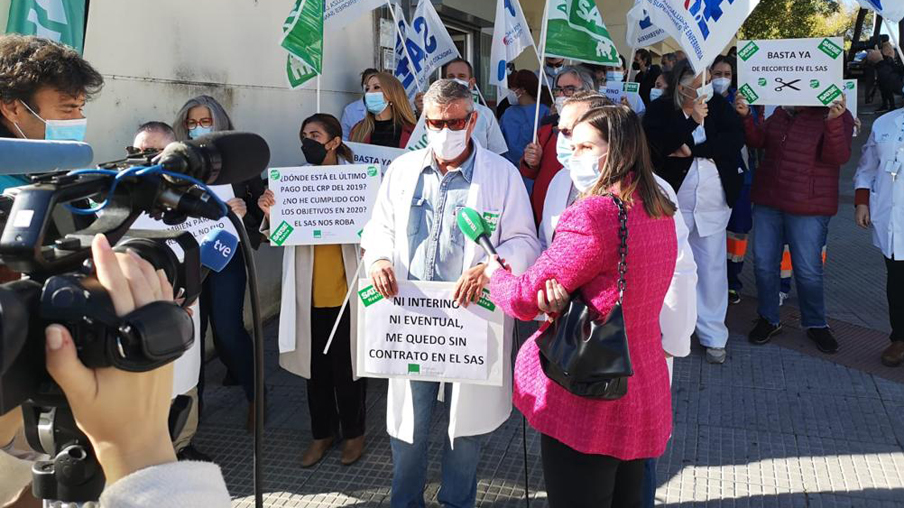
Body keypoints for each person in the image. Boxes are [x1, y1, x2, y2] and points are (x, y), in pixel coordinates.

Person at [485, 105, 681, 507]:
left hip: (589, 393)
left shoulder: (594, 214)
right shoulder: (656, 202)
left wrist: (494, 276)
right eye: (572, 145)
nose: (574, 156)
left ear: (620, 150)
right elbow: (618, 284)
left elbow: (524, 298)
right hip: (642, 380)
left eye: (586, 146)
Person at [360, 79, 540, 508]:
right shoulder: (402, 171)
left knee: (466, 428)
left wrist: (490, 267)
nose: (443, 130)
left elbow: (524, 241)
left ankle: (457, 501)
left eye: (454, 121)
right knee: (408, 426)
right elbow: (378, 227)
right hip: (412, 318)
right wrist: (380, 259)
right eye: (435, 122)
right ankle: (406, 502)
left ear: (473, 120)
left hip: (471, 320)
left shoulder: (503, 174)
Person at [539, 101, 697, 508]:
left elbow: (680, 268)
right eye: (564, 131)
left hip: (630, 351)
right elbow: (554, 255)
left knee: (633, 461)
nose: (568, 141)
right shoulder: (561, 184)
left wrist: (672, 342)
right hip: (578, 347)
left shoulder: (652, 191)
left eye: (579, 134)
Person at [257, 114, 367, 467]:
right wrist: (271, 213)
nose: (308, 141)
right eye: (304, 135)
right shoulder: (292, 182)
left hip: (348, 291)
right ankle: (322, 434)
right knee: (315, 371)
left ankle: (354, 434)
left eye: (315, 135)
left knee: (348, 370)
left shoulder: (358, 180)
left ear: (334, 141)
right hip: (309, 293)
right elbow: (277, 236)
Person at [735, 91, 855, 354]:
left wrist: (834, 122)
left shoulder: (835, 114)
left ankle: (816, 323)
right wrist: (746, 118)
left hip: (809, 205)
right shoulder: (781, 112)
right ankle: (768, 318)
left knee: (808, 269)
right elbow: (759, 140)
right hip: (770, 200)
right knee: (765, 265)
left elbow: (838, 157)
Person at [643, 60, 745, 365]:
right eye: (697, 82)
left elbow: (733, 141)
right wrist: (688, 118)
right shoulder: (662, 109)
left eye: (708, 80)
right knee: (670, 265)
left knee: (712, 267)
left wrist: (696, 149)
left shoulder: (721, 108)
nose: (706, 88)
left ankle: (713, 333)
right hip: (674, 201)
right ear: (681, 85)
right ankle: (669, 329)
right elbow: (660, 145)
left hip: (713, 202)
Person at [173, 95, 266, 430]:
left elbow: (259, 210)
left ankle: (257, 395)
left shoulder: (239, 161)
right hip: (187, 258)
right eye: (192, 122)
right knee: (192, 335)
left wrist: (248, 210)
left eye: (205, 121)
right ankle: (191, 413)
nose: (198, 127)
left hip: (227, 256)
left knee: (227, 329)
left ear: (220, 122)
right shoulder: (174, 160)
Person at [130, 121, 210, 463]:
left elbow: (212, 244)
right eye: (137, 152)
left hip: (184, 301)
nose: (144, 159)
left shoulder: (196, 197)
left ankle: (183, 444)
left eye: (153, 152)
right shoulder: (121, 193)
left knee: (185, 376)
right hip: (136, 308)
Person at [0, 34, 104, 282]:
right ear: (13, 108)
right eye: (68, 109)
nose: (78, 120)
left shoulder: (61, 173)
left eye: (81, 108)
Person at [854, 102, 904, 367]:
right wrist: (862, 201)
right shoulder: (885, 123)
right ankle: (899, 339)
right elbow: (867, 166)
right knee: (897, 280)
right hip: (892, 218)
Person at [520, 73, 598, 223]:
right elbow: (529, 171)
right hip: (544, 214)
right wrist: (531, 162)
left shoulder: (600, 131)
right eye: (558, 90)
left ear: (589, 92)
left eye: (569, 89)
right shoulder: (547, 128)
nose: (562, 95)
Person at [710, 55, 754, 306]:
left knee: (737, 231)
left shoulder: (742, 100)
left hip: (741, 174)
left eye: (727, 73)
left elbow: (755, 133)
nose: (722, 78)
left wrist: (746, 114)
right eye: (717, 73)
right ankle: (711, 279)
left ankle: (732, 282)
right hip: (711, 173)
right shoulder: (701, 98)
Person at [440, 58, 508, 155]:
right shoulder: (435, 114)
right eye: (451, 76)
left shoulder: (486, 114)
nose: (456, 80)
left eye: (461, 76)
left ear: (471, 83)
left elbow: (498, 153)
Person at [500, 70, 551, 173]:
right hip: (509, 170)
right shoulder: (508, 113)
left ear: (522, 90)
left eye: (511, 88)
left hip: (534, 171)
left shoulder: (544, 112)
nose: (509, 91)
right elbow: (500, 142)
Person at [349, 72, 416, 148]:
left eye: (376, 87)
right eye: (367, 89)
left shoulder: (412, 131)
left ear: (392, 94)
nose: (369, 93)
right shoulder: (358, 130)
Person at [340, 68, 379, 140]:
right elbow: (344, 136)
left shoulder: (386, 107)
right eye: (367, 86)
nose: (371, 89)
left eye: (376, 86)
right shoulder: (350, 110)